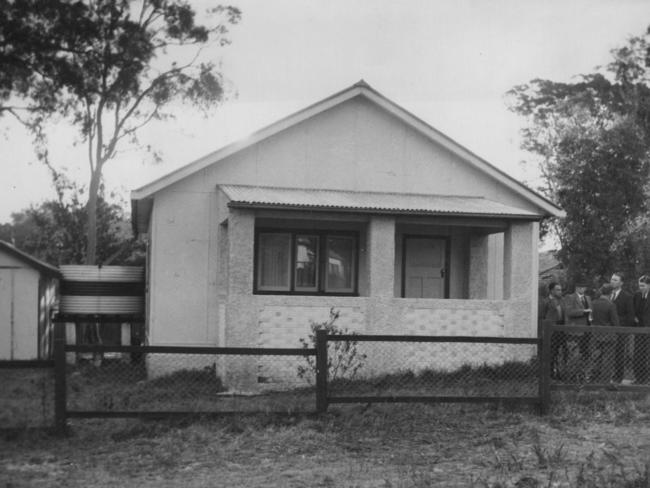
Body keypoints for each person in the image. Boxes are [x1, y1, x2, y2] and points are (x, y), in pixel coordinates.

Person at [590, 285, 620, 383]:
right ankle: (605, 381)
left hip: (595, 335)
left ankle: (594, 379)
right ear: (610, 293)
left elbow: (591, 319)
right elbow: (615, 322)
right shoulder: (611, 305)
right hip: (608, 337)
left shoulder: (593, 303)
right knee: (607, 359)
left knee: (596, 358)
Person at [610, 272, 635, 383]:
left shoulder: (627, 296)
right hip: (606, 330)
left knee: (619, 353)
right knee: (605, 353)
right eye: (612, 279)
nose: (612, 281)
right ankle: (604, 376)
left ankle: (618, 377)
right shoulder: (607, 294)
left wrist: (620, 326)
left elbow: (630, 316)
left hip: (620, 330)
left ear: (621, 283)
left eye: (615, 280)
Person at [539, 282, 565, 378]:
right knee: (551, 351)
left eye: (561, 290)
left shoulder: (562, 300)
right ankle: (548, 373)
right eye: (558, 290)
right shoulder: (546, 301)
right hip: (550, 329)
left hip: (561, 328)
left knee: (560, 351)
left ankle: (558, 372)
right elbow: (542, 316)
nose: (560, 292)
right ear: (551, 290)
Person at [563, 281, 592, 358]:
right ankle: (571, 368)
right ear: (576, 288)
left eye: (584, 287)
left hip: (587, 329)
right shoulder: (570, 297)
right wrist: (583, 311)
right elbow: (569, 312)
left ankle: (583, 367)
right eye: (580, 287)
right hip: (575, 330)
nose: (583, 289)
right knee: (573, 353)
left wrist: (590, 316)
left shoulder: (588, 298)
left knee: (585, 352)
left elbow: (590, 310)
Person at [632, 275, 650, 384]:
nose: (641, 288)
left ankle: (648, 378)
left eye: (643, 286)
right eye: (639, 286)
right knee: (638, 353)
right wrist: (634, 317)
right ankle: (639, 378)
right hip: (639, 330)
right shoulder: (637, 295)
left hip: (649, 329)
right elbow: (633, 309)